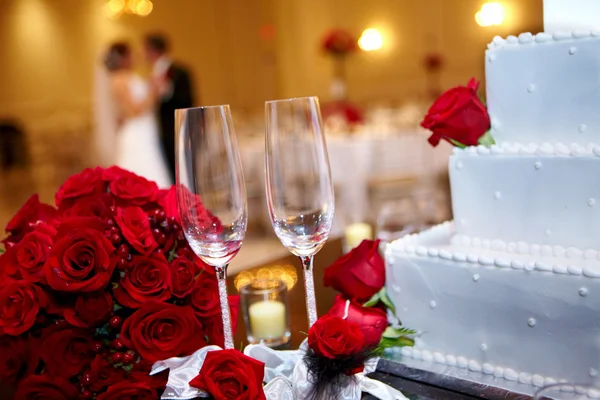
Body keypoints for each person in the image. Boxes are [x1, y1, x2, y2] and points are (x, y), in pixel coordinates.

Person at [95, 42, 172, 188]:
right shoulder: (118, 80)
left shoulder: (129, 76)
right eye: (130, 54)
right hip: (137, 132)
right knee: (143, 168)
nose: (134, 57)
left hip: (146, 129)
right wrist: (154, 91)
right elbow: (135, 110)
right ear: (122, 58)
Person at [144, 33, 195, 182]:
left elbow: (188, 100)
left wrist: (166, 90)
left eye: (145, 50)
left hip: (175, 130)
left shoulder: (181, 71)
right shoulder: (151, 73)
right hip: (157, 131)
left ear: (153, 50)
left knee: (182, 172)